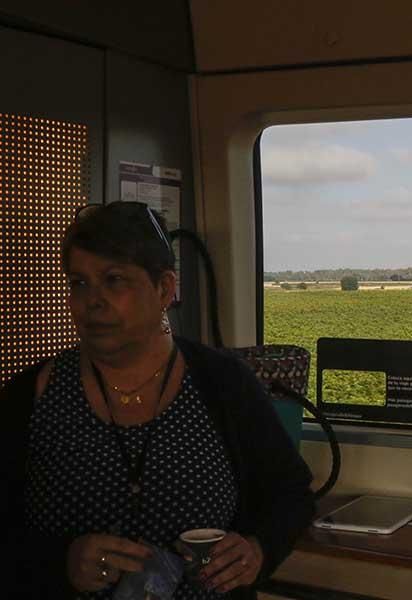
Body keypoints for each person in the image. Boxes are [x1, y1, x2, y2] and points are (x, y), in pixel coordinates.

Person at [1, 202, 316, 599]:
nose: (92, 301)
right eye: (79, 283)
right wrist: (59, 561)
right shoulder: (33, 395)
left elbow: (291, 494)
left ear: (164, 289)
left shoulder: (223, 384)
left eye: (114, 280)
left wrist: (257, 549)